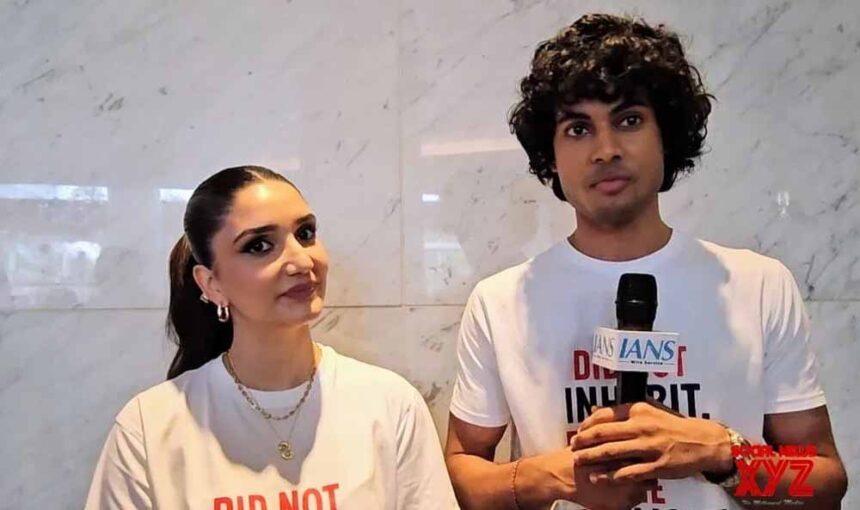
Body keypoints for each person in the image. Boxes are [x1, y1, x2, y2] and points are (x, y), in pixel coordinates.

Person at [444, 14, 847, 510]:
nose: (605, 150)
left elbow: (824, 484)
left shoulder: (757, 285)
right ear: (551, 153)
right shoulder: (500, 301)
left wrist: (723, 455)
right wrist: (551, 478)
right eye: (577, 128)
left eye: (629, 120)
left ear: (666, 135)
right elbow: (461, 474)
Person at [85, 166, 459, 510]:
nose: (302, 261)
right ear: (212, 284)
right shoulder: (148, 428)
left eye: (305, 234)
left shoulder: (390, 405)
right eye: (259, 246)